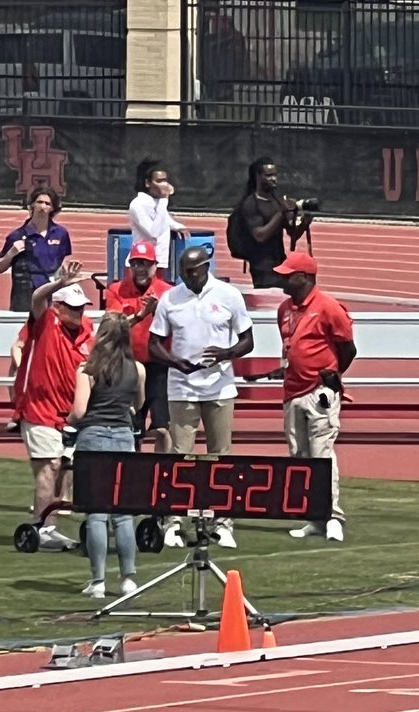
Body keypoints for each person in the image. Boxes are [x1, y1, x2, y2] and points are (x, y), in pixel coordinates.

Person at [149, 247, 254, 550]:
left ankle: (221, 522)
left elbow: (247, 340)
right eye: (183, 271)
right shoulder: (171, 298)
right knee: (180, 455)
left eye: (193, 271)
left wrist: (226, 353)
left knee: (220, 455)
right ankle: (174, 522)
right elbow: (154, 343)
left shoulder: (229, 295)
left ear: (206, 267)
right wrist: (174, 361)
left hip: (219, 386)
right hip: (182, 387)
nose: (188, 276)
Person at [274, 251, 356, 543]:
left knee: (322, 454)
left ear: (304, 277)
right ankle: (312, 516)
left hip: (318, 391)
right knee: (300, 456)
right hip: (292, 390)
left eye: (288, 274)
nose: (281, 278)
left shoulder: (328, 307)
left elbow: (348, 348)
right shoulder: (284, 308)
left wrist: (331, 375)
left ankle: (332, 516)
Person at [17, 259, 93, 550]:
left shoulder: (87, 332)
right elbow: (37, 297)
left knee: (63, 469)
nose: (79, 312)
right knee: (49, 467)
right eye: (73, 307)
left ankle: (49, 526)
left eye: (82, 307)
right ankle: (41, 526)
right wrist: (60, 283)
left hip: (69, 414)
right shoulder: (46, 321)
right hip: (39, 409)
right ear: (58, 307)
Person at [69, 312, 144, 600]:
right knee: (123, 515)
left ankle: (98, 581)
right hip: (123, 437)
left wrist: (68, 420)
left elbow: (79, 411)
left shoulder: (87, 369)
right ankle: (128, 578)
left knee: (97, 514)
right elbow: (137, 403)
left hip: (94, 437)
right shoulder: (137, 369)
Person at [104, 239, 170, 452]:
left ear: (155, 265)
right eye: (135, 264)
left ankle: (164, 468)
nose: (140, 269)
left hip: (159, 365)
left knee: (163, 426)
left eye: (145, 263)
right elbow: (114, 326)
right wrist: (141, 315)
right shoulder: (116, 290)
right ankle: (133, 469)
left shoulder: (168, 292)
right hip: (128, 365)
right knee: (133, 426)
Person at [237, 158, 313, 289]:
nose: (273, 178)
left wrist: (304, 221)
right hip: (262, 268)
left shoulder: (276, 200)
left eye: (274, 175)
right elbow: (260, 235)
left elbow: (292, 233)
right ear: (258, 177)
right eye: (268, 175)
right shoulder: (250, 204)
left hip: (280, 262)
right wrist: (280, 213)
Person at [0, 186, 72, 312]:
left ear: (52, 208)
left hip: (51, 289)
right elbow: (0, 267)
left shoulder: (61, 233)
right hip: (25, 292)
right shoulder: (17, 235)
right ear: (32, 205)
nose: (43, 207)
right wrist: (11, 253)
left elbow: (63, 261)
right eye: (39, 202)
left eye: (47, 203)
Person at [128, 158, 189, 281]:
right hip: (141, 265)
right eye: (159, 181)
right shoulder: (137, 204)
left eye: (165, 181)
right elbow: (153, 233)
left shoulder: (156, 203)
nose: (164, 185)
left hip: (159, 262)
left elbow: (164, 219)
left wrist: (178, 226)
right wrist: (164, 200)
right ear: (148, 183)